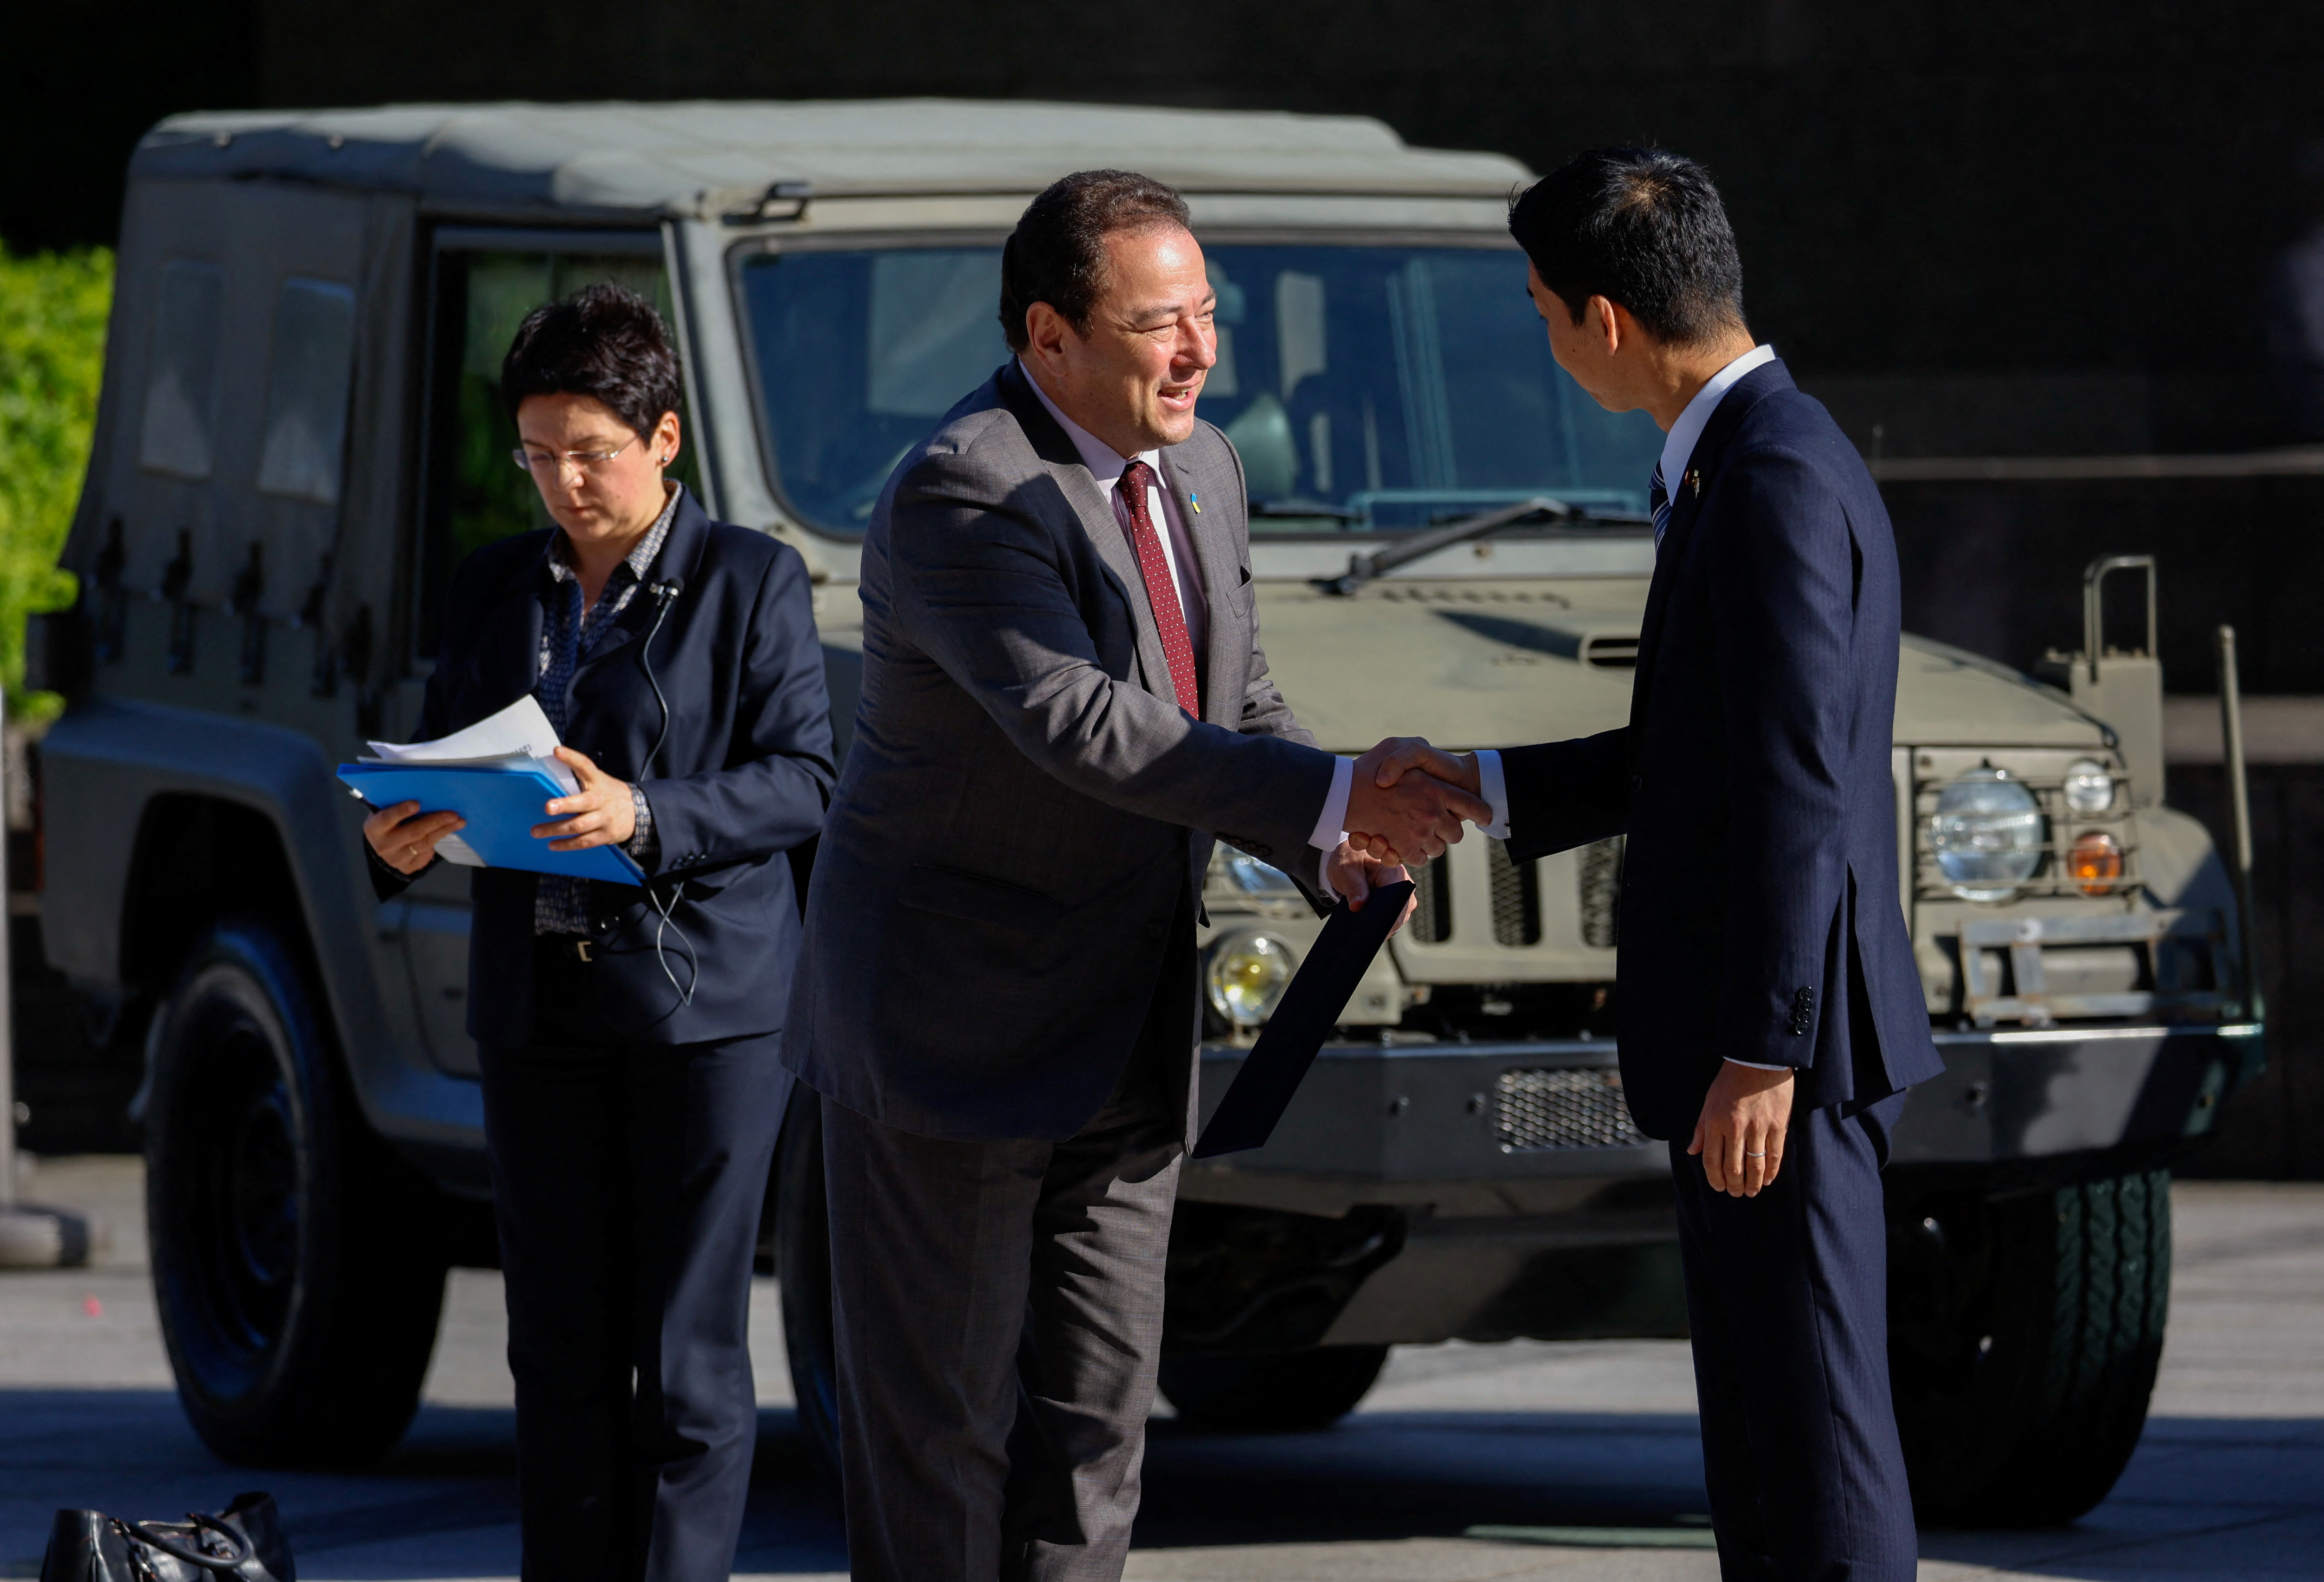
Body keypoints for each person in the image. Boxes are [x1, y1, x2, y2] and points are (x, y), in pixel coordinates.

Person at [783, 169, 1481, 1582]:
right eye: (1160, 324)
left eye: (1208, 314)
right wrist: (1336, 794)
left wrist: (1330, 833)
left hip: (1128, 1035)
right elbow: (1077, 722)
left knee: (1097, 1436)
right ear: (1050, 336)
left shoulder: (1205, 466)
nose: (1199, 351)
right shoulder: (966, 489)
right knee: (942, 1444)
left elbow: (1237, 699)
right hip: (953, 1038)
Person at [1360, 148, 1946, 1582]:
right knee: (1764, 1435)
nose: (1547, 341)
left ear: (1606, 321)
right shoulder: (1746, 458)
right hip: (1755, 1047)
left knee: (1815, 1439)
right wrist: (1486, 785)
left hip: (1781, 1057)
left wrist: (1764, 1047)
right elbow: (1701, 752)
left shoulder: (1772, 475)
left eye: (1542, 310)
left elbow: (1801, 790)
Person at [361, 284, 834, 1582]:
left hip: (703, 1014)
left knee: (686, 1356)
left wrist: (647, 813)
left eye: (592, 453)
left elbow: (808, 781)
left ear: (664, 438)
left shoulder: (752, 580)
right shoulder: (494, 583)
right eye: (537, 455)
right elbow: (445, 754)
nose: (565, 483)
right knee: (558, 1350)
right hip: (536, 1004)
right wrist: (402, 834)